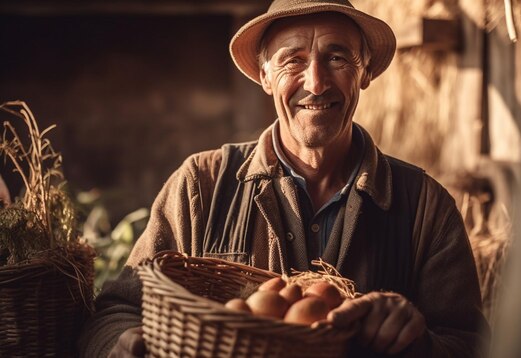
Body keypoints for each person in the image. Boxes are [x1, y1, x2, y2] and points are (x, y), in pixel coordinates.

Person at [79, 0, 487, 357]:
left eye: (337, 57)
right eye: (292, 60)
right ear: (265, 76)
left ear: (364, 74)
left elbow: (470, 345)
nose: (316, 82)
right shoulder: (200, 186)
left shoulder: (424, 207)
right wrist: (123, 345)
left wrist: (414, 343)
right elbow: (116, 310)